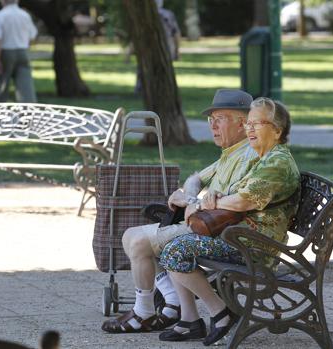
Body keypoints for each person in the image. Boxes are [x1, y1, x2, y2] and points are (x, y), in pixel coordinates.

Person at [101, 89, 258, 334]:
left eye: (221, 119)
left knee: (139, 241)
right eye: (211, 120)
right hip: (204, 223)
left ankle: (146, 312)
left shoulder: (249, 155)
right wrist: (189, 196)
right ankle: (174, 305)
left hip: (218, 230)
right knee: (130, 235)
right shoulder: (229, 154)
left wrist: (194, 205)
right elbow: (195, 178)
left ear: (243, 123)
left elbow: (233, 203)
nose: (213, 126)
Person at [158, 97, 300, 345]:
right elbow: (234, 195)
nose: (251, 129)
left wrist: (202, 204)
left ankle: (220, 313)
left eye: (259, 123)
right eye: (250, 124)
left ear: (277, 130)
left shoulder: (277, 163)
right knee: (176, 245)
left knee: (176, 250)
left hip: (256, 247)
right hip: (239, 236)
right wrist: (216, 195)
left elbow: (243, 202)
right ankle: (202, 316)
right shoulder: (262, 157)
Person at [0, 0, 38, 103]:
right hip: (22, 51)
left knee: (3, 85)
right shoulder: (25, 15)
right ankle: (28, 112)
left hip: (6, 52)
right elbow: (32, 36)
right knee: (26, 87)